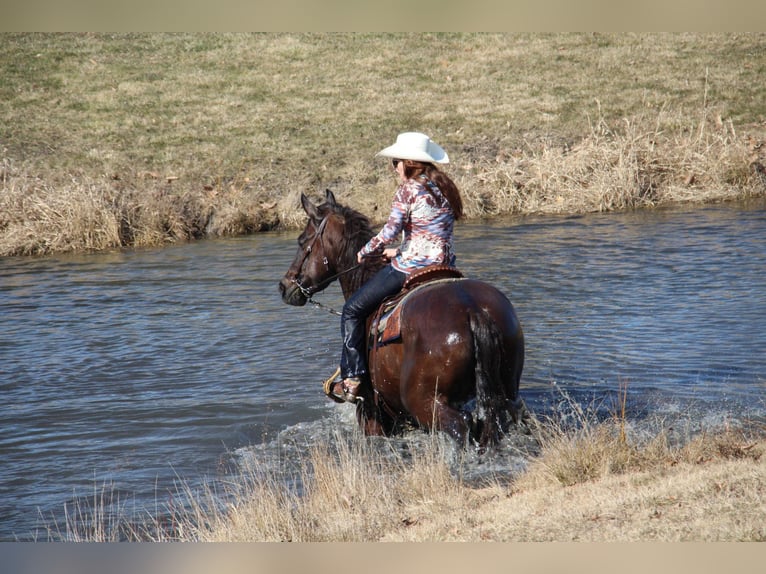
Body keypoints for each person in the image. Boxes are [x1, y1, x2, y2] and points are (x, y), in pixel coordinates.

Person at [329, 132, 464, 403]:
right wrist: (399, 250)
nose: (394, 168)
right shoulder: (445, 187)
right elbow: (432, 232)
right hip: (446, 264)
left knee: (352, 310)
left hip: (412, 267)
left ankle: (353, 378)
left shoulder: (408, 189)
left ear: (409, 163)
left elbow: (391, 230)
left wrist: (366, 251)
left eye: (396, 162)